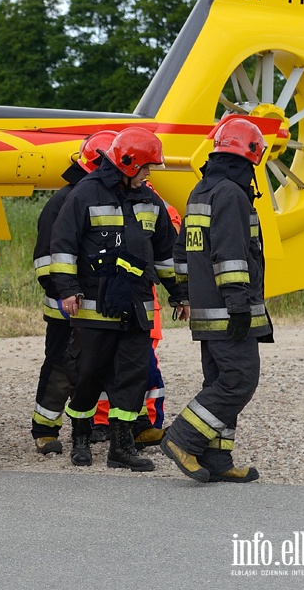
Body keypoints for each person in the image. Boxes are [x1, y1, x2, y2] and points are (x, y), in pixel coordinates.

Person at [50, 127, 189, 471]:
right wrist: (68, 290)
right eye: (145, 168)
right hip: (93, 307)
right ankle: (80, 439)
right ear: (128, 163)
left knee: (131, 377)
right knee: (87, 376)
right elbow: (63, 246)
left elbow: (165, 255)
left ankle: (121, 448)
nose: (148, 174)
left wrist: (180, 294)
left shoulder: (150, 201)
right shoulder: (85, 194)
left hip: (136, 306)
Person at [162, 116, 272, 483]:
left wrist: (185, 294)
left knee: (220, 382)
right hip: (229, 310)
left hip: (207, 310)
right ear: (250, 157)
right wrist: (238, 304)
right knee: (239, 380)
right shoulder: (231, 195)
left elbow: (182, 252)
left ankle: (218, 460)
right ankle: (183, 438)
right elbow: (232, 255)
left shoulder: (200, 192)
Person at [30, 131, 115, 456]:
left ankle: (94, 426)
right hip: (66, 308)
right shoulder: (63, 202)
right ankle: (45, 430)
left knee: (100, 366)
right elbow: (44, 261)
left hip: (101, 306)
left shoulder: (109, 197)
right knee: (62, 367)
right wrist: (64, 294)